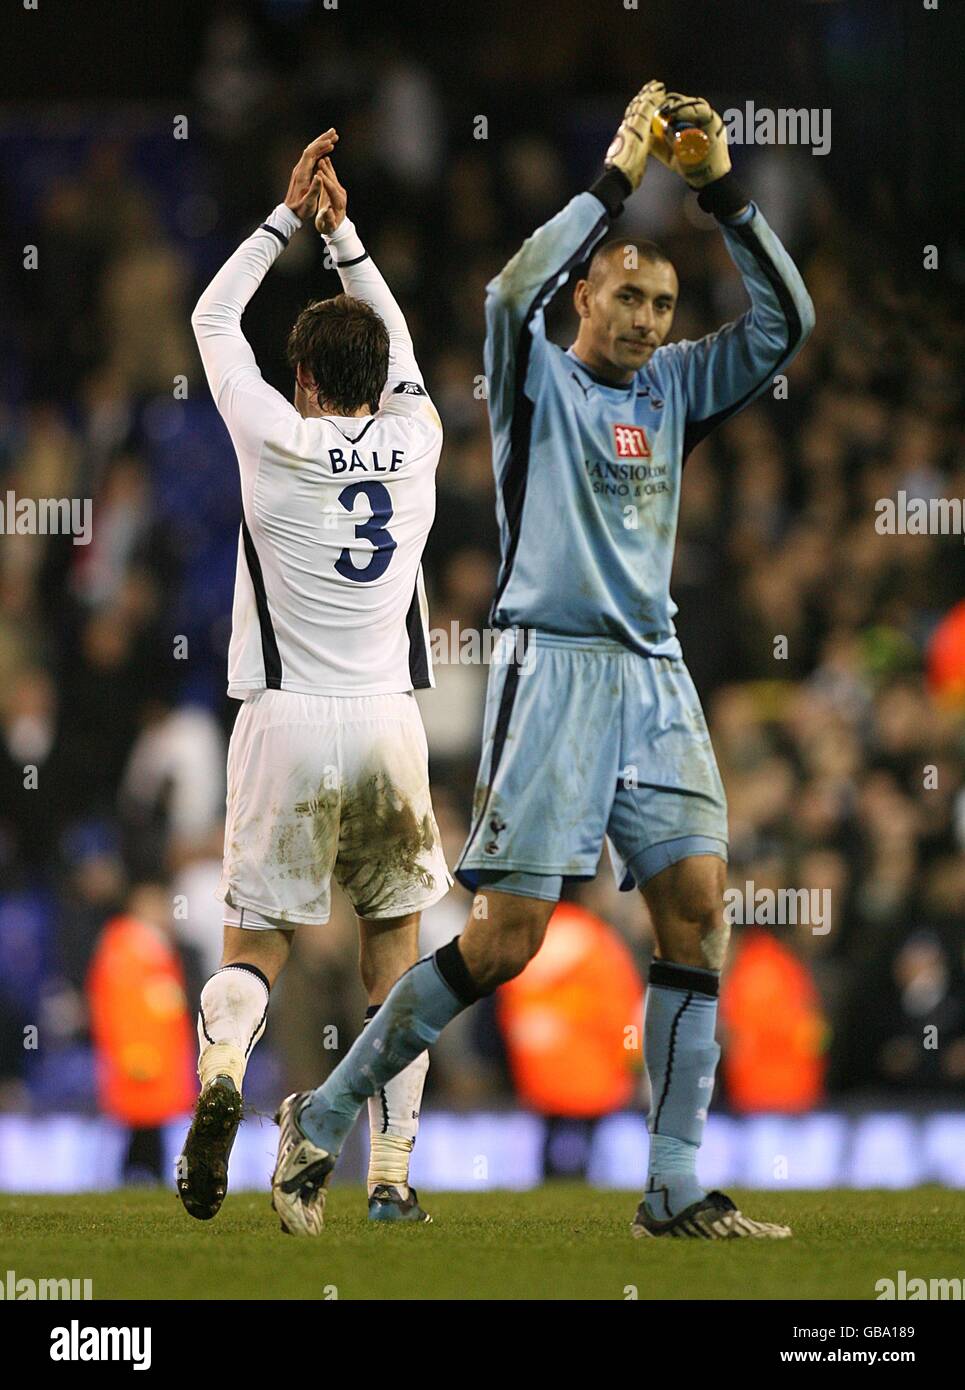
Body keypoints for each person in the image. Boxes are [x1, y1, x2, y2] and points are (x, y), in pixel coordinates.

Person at [271, 85, 814, 1240]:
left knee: (697, 911)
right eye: (628, 295)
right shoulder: (533, 378)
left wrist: (720, 192)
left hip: (654, 675)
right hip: (552, 671)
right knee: (505, 941)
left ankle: (670, 1185)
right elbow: (505, 291)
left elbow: (783, 329)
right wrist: (615, 178)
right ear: (587, 295)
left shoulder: (670, 389)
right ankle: (321, 1114)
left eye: (664, 304)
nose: (648, 321)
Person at [178, 131, 451, 1224]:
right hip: (388, 718)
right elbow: (395, 339)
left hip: (283, 716)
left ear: (299, 377)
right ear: (380, 378)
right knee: (396, 951)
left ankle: (223, 1073)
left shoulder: (273, 439)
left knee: (255, 945)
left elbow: (208, 320)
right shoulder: (420, 437)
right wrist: (343, 234)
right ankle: (387, 1177)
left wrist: (288, 218)